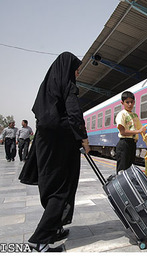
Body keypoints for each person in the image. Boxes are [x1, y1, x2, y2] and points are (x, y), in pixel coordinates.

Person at [27, 52, 90, 252]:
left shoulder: (47, 88)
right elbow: (74, 113)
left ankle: (55, 229)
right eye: (76, 69)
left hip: (45, 142)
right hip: (62, 144)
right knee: (62, 189)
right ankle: (40, 239)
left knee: (52, 186)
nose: (77, 73)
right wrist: (84, 138)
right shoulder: (68, 85)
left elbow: (40, 114)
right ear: (68, 69)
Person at [115, 91, 146, 173]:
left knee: (129, 168)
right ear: (122, 103)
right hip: (124, 143)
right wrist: (138, 131)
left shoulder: (134, 115)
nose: (130, 104)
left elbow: (140, 128)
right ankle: (121, 185)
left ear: (134, 102)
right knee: (122, 169)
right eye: (127, 102)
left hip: (132, 143)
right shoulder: (122, 114)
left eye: (131, 102)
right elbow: (122, 132)